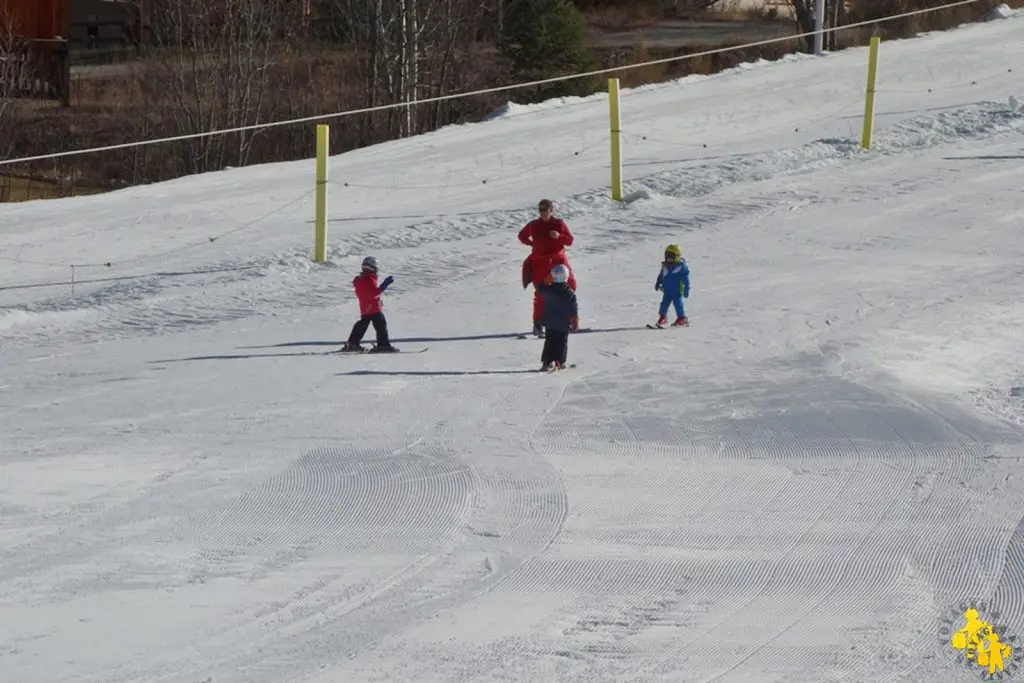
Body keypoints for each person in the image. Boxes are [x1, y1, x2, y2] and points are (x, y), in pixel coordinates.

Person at [519, 198, 576, 337]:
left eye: (545, 209)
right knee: (541, 293)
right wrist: (532, 244)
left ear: (552, 210)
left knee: (569, 287)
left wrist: (559, 236)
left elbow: (570, 240)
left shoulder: (559, 224)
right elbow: (522, 236)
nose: (542, 212)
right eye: (540, 209)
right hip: (540, 262)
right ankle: (538, 324)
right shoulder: (533, 225)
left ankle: (566, 320)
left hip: (558, 261)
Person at [340, 256, 397, 353]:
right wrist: (384, 285)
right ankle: (383, 345)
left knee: (363, 324)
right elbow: (374, 294)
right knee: (380, 325)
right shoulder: (369, 279)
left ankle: (352, 343)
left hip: (366, 307)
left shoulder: (362, 280)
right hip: (373, 307)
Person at [536, 264, 579, 371]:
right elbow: (574, 308)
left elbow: (539, 288)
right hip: (563, 324)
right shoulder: (569, 293)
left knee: (549, 341)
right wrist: (575, 319)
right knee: (561, 342)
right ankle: (560, 362)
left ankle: (546, 362)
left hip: (550, 322)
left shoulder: (548, 290)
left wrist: (546, 280)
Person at [654, 243, 690, 327]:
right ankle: (663, 317)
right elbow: (661, 275)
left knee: (678, 304)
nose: (669, 258)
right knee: (664, 304)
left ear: (677, 256)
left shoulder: (681, 267)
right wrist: (658, 282)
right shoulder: (665, 266)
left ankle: (682, 318)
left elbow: (686, 280)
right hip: (667, 291)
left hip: (677, 291)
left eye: (671, 256)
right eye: (667, 256)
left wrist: (686, 290)